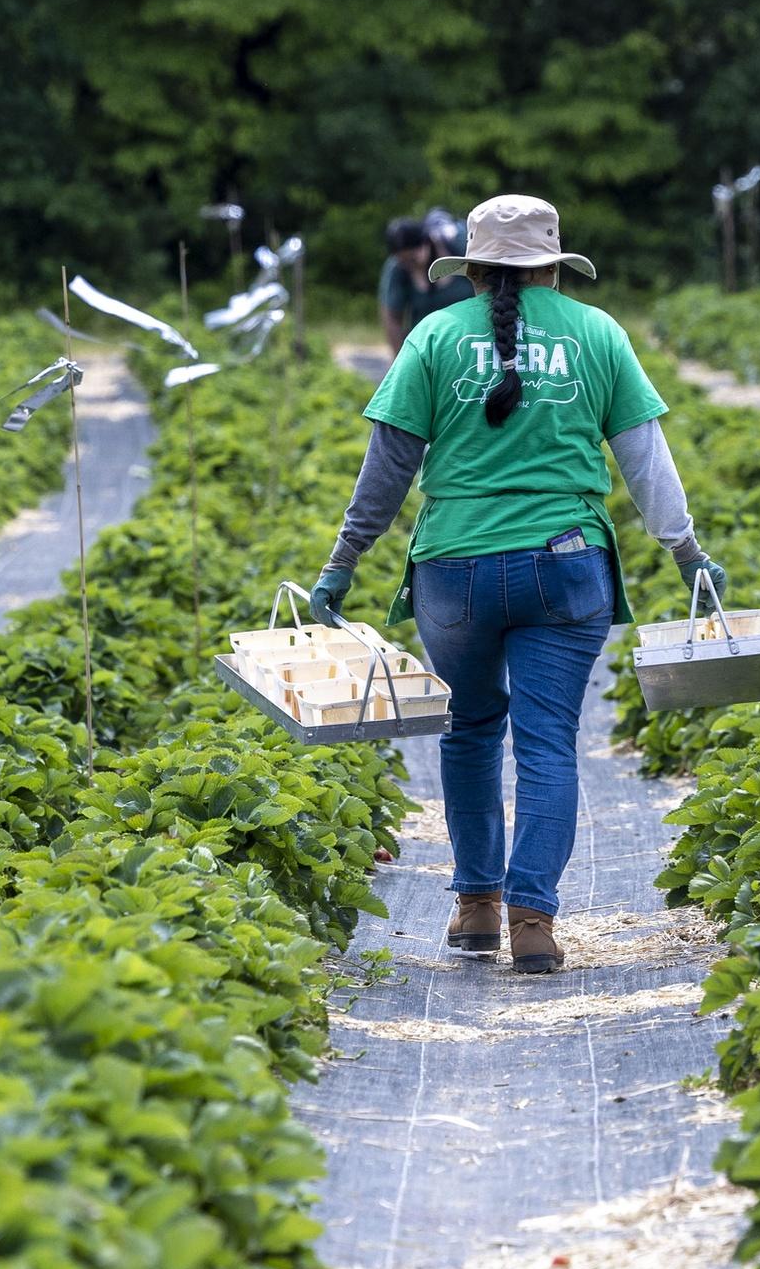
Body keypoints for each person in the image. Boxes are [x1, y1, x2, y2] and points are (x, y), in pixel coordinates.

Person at [309, 192, 724, 975]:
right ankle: (534, 921)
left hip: (454, 567)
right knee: (546, 741)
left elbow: (388, 465)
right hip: (565, 565)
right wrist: (688, 553)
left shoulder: (433, 334)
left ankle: (475, 908)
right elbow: (645, 459)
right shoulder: (598, 333)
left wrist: (342, 561)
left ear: (472, 269)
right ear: (553, 269)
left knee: (469, 731)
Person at [378, 210, 473, 353]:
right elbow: (391, 317)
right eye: (403, 261)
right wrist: (401, 360)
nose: (409, 265)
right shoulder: (397, 269)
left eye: (413, 258)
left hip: (470, 340)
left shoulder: (460, 249)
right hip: (427, 348)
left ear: (427, 243)